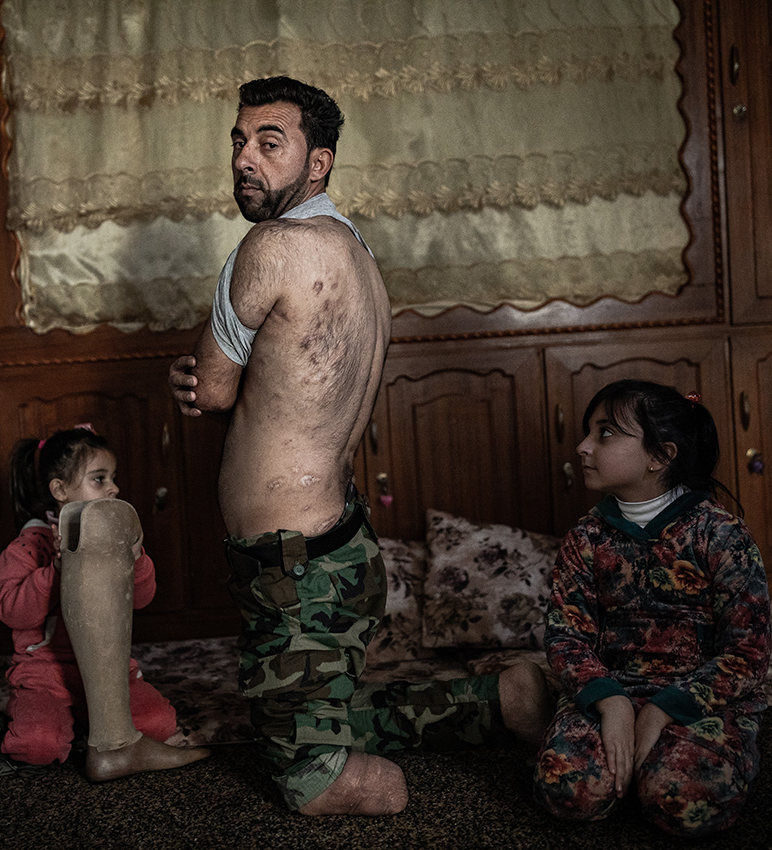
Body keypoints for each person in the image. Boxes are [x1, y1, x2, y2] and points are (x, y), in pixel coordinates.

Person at [168, 75, 553, 816]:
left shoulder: (272, 245)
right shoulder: (353, 249)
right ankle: (498, 700)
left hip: (299, 568)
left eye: (268, 144)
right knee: (287, 721)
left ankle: (369, 760)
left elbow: (214, 390)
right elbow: (287, 385)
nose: (244, 158)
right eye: (239, 142)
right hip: (331, 553)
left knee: (310, 783)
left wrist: (191, 374)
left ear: (317, 163)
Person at [532, 380, 770, 837]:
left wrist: (664, 709)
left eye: (604, 433)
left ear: (660, 456)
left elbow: (747, 655)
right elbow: (566, 637)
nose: (582, 447)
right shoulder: (586, 538)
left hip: (698, 702)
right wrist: (612, 704)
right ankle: (622, 769)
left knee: (684, 802)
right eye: (587, 432)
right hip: (608, 695)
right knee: (566, 791)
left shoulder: (722, 536)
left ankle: (663, 769)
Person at [0, 424, 210, 780]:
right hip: (45, 675)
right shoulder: (26, 548)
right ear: (60, 490)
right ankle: (76, 723)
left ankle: (95, 726)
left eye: (113, 477)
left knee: (159, 723)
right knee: (36, 746)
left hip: (109, 672)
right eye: (99, 479)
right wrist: (54, 573)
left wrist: (136, 558)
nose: (114, 488)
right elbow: (13, 613)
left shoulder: (112, 539)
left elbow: (141, 600)